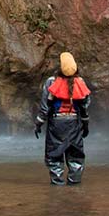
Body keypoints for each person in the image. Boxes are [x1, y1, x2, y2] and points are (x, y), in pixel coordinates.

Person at [34, 51, 91, 185]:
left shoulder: (51, 82)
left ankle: (57, 187)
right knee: (75, 156)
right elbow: (84, 107)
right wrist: (86, 125)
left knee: (54, 155)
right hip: (74, 123)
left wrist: (38, 123)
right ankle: (75, 187)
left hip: (56, 124)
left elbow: (44, 107)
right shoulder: (80, 82)